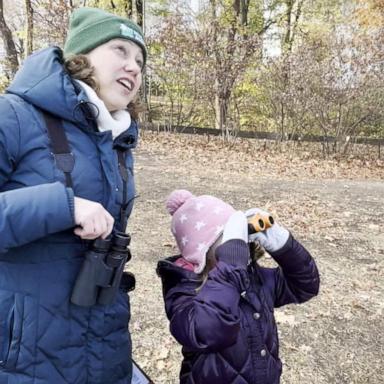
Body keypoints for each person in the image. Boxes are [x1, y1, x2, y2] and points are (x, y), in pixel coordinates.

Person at [0, 7, 146, 384]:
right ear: (81, 56)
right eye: (120, 50)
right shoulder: (13, 116)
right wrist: (62, 206)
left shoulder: (118, 142)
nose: (133, 67)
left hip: (104, 348)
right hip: (24, 358)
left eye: (140, 61)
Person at [157, 189, 320, 384]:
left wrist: (284, 246)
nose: (241, 241)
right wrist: (231, 265)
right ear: (201, 249)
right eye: (230, 237)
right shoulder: (183, 290)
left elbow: (305, 286)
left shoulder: (252, 277)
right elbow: (208, 331)